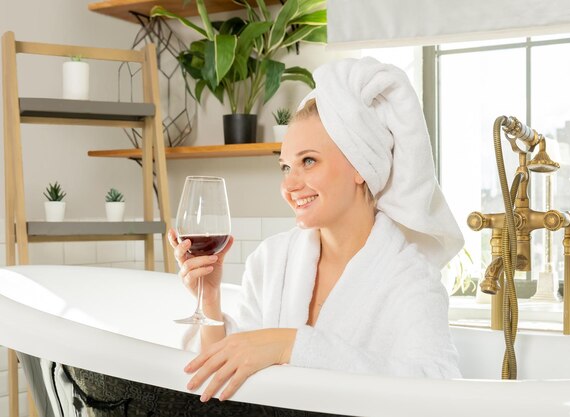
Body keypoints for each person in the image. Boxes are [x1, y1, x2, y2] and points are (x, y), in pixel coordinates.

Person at [168, 57, 465, 404]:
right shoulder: (272, 260)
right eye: (285, 167)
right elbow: (222, 381)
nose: (289, 185)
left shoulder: (409, 278)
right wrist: (211, 300)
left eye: (308, 161)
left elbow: (439, 390)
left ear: (361, 167)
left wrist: (292, 345)